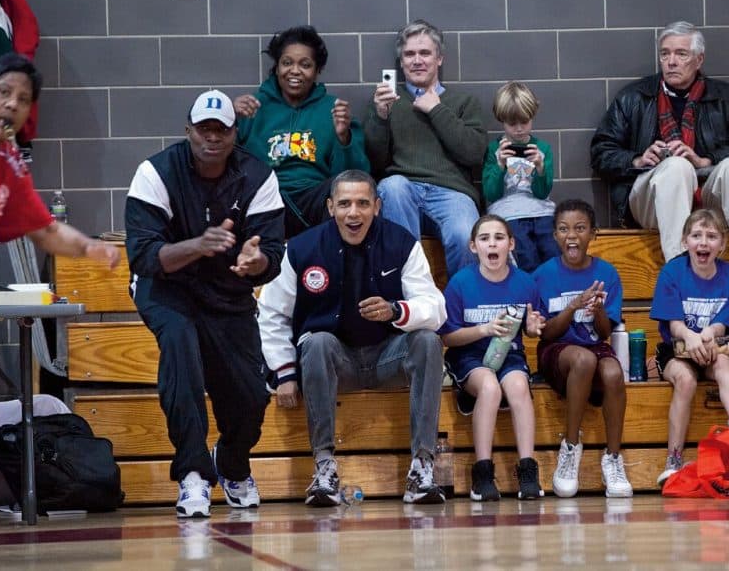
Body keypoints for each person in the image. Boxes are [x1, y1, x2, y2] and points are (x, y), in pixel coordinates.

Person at [125, 89, 285, 518]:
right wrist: (198, 245)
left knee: (252, 396)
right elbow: (144, 257)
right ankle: (193, 475)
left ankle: (231, 463)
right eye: (204, 129)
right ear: (188, 131)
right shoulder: (155, 172)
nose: (212, 138)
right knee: (181, 354)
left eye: (222, 130)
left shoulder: (258, 175)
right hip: (166, 289)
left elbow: (271, 253)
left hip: (228, 292)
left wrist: (256, 263)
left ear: (234, 134)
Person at [257, 169, 447, 506]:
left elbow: (435, 308)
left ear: (377, 206)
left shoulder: (402, 243)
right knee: (316, 341)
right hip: (334, 361)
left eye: (362, 203)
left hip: (389, 357)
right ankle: (324, 468)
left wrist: (396, 310)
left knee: (429, 341)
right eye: (344, 204)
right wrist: (284, 372)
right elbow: (271, 313)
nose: (353, 212)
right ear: (330, 207)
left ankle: (422, 467)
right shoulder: (302, 248)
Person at [0, 51, 120, 311]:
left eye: (24, 99)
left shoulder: (10, 165)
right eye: (4, 92)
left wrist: (89, 247)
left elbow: (45, 231)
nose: (12, 104)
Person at [590, 20, 729, 301]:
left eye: (681, 54)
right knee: (675, 166)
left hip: (708, 197)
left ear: (699, 59)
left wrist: (705, 159)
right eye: (665, 54)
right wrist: (637, 159)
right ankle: (680, 270)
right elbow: (600, 151)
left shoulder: (727, 98)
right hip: (650, 200)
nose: (671, 61)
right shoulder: (633, 97)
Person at [651, 208, 729, 487]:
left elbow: (724, 325)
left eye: (711, 236)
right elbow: (675, 325)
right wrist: (691, 337)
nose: (703, 243)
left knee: (725, 364)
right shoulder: (672, 272)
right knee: (686, 380)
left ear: (723, 244)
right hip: (676, 348)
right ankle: (673, 460)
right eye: (696, 235)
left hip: (712, 345)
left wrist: (710, 333)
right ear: (684, 242)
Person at [364, 19, 487, 277]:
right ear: (401, 62)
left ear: (439, 59)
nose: (417, 60)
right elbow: (375, 164)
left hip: (452, 193)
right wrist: (380, 118)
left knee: (465, 235)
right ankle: (413, 295)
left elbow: (474, 153)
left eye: (425, 53)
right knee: (392, 185)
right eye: (409, 54)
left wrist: (436, 109)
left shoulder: (463, 102)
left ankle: (461, 307)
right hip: (403, 191)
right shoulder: (387, 100)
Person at [439, 214, 546, 501]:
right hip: (469, 357)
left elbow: (531, 327)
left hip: (509, 356)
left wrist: (534, 328)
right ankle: (483, 472)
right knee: (489, 387)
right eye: (484, 239)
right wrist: (483, 329)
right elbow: (448, 338)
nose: (492, 244)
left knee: (519, 387)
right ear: (473, 247)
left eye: (499, 237)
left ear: (511, 244)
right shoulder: (460, 284)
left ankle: (527, 470)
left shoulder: (525, 283)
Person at [533, 199, 632, 498]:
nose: (571, 235)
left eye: (579, 228)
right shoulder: (542, 275)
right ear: (555, 236)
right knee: (584, 360)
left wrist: (598, 310)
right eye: (563, 229)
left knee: (614, 373)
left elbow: (605, 333)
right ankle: (570, 449)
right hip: (557, 351)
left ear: (593, 234)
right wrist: (574, 306)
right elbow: (545, 333)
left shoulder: (607, 274)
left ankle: (613, 458)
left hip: (593, 345)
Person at [234, 25, 370, 237]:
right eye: (287, 63)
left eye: (305, 64)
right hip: (266, 197)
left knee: (345, 193)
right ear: (277, 67)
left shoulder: (333, 109)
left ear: (317, 71)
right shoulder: (253, 106)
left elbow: (355, 177)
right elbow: (224, 162)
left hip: (314, 199)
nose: (295, 71)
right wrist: (230, 120)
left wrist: (344, 138)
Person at [482, 81, 557, 273]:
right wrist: (499, 166)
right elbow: (491, 193)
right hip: (509, 213)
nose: (519, 129)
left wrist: (540, 168)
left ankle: (551, 298)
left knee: (553, 255)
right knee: (525, 259)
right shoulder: (494, 149)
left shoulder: (542, 148)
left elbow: (542, 193)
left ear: (532, 117)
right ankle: (530, 298)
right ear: (502, 120)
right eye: (512, 123)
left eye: (524, 122)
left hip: (542, 212)